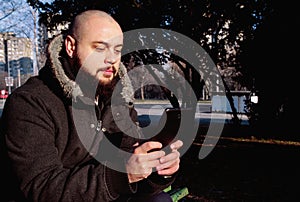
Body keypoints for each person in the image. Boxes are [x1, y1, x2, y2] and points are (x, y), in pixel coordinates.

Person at [0, 10, 183, 202]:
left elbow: (133, 182)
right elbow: (41, 187)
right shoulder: (30, 102)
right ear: (71, 47)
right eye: (100, 48)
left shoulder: (119, 100)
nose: (112, 58)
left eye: (117, 49)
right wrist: (121, 175)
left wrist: (158, 169)